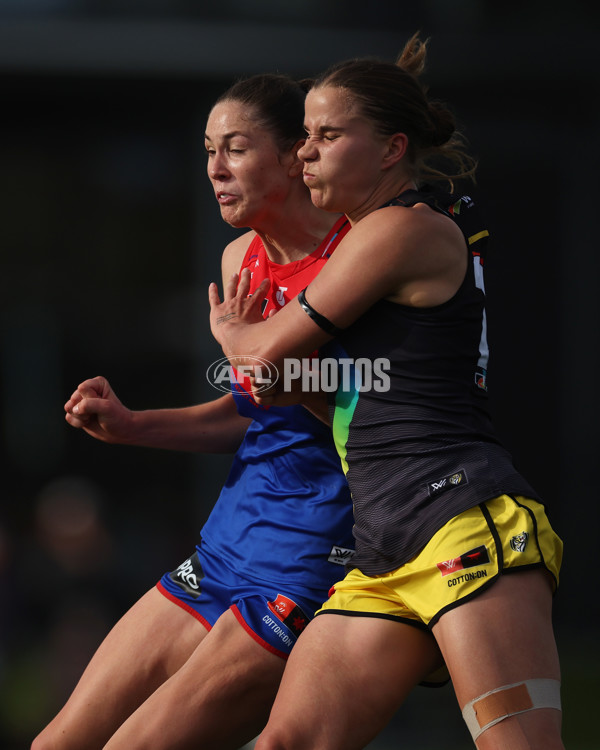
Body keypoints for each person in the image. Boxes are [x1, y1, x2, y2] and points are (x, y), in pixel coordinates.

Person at [209, 35, 564, 750]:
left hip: (461, 524)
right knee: (284, 743)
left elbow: (260, 350)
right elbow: (345, 390)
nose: (304, 152)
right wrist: (284, 386)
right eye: (304, 135)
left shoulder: (398, 231)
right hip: (383, 547)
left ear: (392, 149)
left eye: (327, 135)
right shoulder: (377, 236)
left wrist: (231, 331)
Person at [31, 74, 355, 750]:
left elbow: (380, 414)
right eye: (208, 149)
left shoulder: (362, 257)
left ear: (297, 153)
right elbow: (253, 412)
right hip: (223, 549)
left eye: (235, 148)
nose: (214, 169)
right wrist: (131, 425)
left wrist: (265, 362)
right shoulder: (242, 259)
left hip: (304, 565)